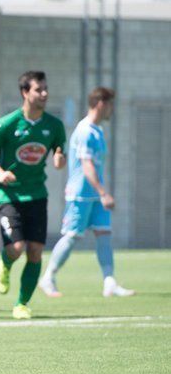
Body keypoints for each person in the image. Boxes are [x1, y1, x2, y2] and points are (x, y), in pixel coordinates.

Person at [0, 71, 66, 320]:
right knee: (16, 248)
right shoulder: (6, 125)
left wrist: (60, 158)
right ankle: (6, 263)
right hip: (9, 196)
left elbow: (59, 154)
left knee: (36, 251)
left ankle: (21, 304)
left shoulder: (54, 125)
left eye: (46, 89)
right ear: (25, 93)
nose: (44, 94)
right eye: (39, 89)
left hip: (37, 194)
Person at [40, 87, 134, 298]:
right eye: (110, 105)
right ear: (101, 103)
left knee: (104, 235)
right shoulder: (84, 131)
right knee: (72, 236)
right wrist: (103, 192)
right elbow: (86, 165)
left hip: (95, 194)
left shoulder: (97, 131)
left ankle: (109, 282)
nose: (112, 110)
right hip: (81, 193)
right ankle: (48, 277)